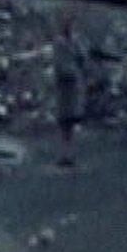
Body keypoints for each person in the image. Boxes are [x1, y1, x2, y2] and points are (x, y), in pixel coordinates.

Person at [54, 15, 86, 167]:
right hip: (64, 85)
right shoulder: (59, 43)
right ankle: (64, 154)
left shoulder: (76, 42)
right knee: (64, 123)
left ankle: (70, 154)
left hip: (74, 86)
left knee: (72, 122)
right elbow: (60, 63)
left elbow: (83, 58)